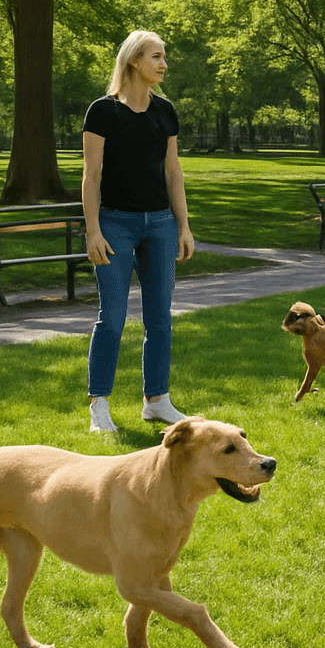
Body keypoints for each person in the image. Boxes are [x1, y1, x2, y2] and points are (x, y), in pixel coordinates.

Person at [81, 30, 197, 433]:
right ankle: (99, 405)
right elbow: (91, 174)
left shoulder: (165, 111)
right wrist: (93, 231)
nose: (164, 64)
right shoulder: (102, 112)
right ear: (133, 61)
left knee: (159, 319)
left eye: (164, 57)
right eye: (156, 56)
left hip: (161, 225)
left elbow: (173, 172)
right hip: (115, 224)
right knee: (111, 319)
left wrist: (183, 226)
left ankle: (157, 401)